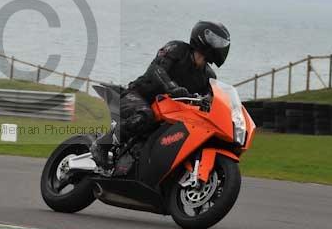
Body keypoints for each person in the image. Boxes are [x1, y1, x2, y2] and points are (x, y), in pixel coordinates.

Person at [91, 21, 231, 169]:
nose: (220, 45)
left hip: (171, 110)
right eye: (216, 40)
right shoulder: (177, 48)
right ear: (202, 36)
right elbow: (156, 68)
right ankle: (102, 144)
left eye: (222, 43)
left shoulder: (208, 75)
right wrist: (171, 87)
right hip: (140, 95)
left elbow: (211, 97)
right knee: (145, 116)